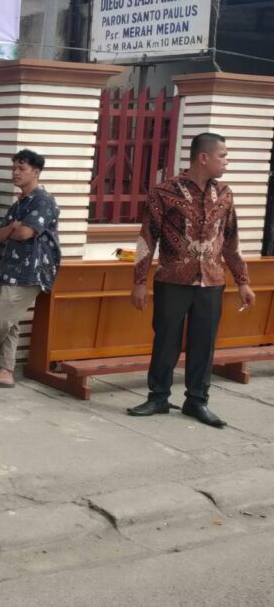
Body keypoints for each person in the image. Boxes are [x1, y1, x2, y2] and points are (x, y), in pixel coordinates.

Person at [127, 133, 254, 428]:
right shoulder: (163, 192)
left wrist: (243, 281)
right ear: (203, 157)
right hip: (172, 280)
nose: (226, 161)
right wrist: (139, 282)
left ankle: (197, 400)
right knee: (166, 342)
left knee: (204, 344)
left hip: (212, 281)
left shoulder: (225, 194)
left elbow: (231, 240)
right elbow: (147, 239)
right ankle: (158, 397)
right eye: (222, 155)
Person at [0, 150, 60, 389]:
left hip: (31, 272)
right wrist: (12, 227)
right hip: (9, 269)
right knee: (10, 323)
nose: (16, 173)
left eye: (22, 168)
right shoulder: (18, 204)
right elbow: (0, 236)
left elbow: (25, 233)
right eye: (14, 168)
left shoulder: (43, 200)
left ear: (36, 172)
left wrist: (14, 229)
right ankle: (5, 372)